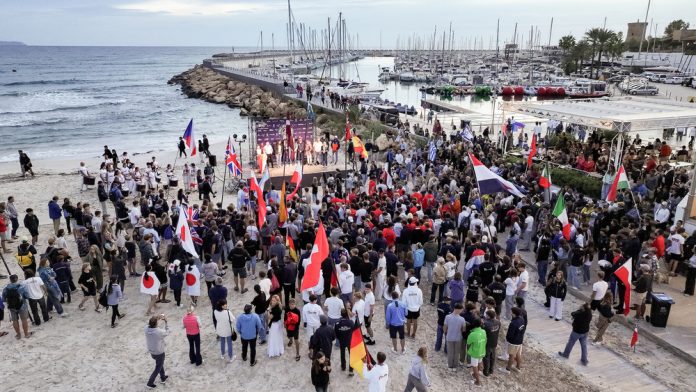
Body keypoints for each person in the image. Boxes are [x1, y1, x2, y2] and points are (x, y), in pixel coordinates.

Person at [144, 314, 170, 388]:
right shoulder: (158, 331)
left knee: (159, 364)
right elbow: (167, 332)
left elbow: (148, 323)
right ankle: (149, 383)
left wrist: (156, 318)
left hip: (152, 351)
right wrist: (166, 322)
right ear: (156, 324)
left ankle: (163, 377)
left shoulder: (146, 329)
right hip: (159, 352)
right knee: (158, 368)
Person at [2, 274, 32, 339]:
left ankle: (18, 335)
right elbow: (27, 296)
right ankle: (26, 334)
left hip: (12, 306)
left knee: (15, 321)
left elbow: (3, 299)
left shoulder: (6, 288)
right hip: (22, 305)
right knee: (24, 320)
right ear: (17, 279)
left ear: (10, 280)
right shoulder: (22, 286)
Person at [501, 307, 526, 373]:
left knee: (511, 356)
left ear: (514, 313)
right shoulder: (522, 319)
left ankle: (507, 369)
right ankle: (518, 367)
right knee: (518, 354)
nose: (511, 313)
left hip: (513, 342)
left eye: (511, 312)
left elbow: (510, 334)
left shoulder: (513, 323)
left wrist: (508, 339)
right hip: (520, 340)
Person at [443, 302, 466, 369]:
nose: (461, 311)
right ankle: (455, 367)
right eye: (461, 310)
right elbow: (463, 330)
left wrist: (446, 333)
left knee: (450, 352)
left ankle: (450, 366)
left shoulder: (447, 317)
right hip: (458, 338)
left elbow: (445, 327)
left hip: (449, 337)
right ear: (458, 309)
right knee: (456, 353)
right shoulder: (462, 319)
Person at [334, 308, 355, 376]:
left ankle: (343, 367)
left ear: (341, 315)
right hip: (350, 340)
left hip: (342, 341)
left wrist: (340, 338)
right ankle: (351, 370)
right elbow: (354, 331)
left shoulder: (337, 324)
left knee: (342, 354)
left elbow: (336, 334)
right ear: (347, 314)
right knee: (351, 355)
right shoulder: (351, 322)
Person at [467, 318, 487, 386]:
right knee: (479, 362)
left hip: (475, 353)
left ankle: (478, 381)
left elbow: (468, 343)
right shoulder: (484, 331)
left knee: (474, 366)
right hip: (482, 351)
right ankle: (476, 374)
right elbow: (485, 341)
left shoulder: (472, 334)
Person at [482, 309, 500, 377]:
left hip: (488, 342)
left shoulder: (485, 323)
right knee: (492, 356)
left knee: (486, 357)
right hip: (494, 341)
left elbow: (483, 332)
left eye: (486, 315)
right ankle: (491, 370)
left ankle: (486, 372)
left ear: (488, 316)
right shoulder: (498, 322)